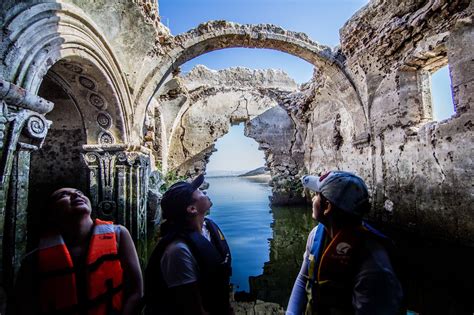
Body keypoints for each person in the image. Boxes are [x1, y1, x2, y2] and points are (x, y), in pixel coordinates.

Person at [12, 187, 143, 315]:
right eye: (64, 195)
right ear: (51, 214)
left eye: (79, 192)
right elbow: (24, 307)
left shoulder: (119, 235)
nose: (76, 195)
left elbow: (136, 291)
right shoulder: (34, 260)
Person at [286, 171, 403, 315]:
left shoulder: (373, 266)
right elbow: (303, 280)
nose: (313, 198)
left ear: (327, 207)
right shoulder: (316, 235)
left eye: (317, 195)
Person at [145, 174, 232, 315]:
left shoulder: (208, 228)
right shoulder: (178, 251)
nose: (202, 190)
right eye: (197, 190)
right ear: (192, 209)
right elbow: (193, 309)